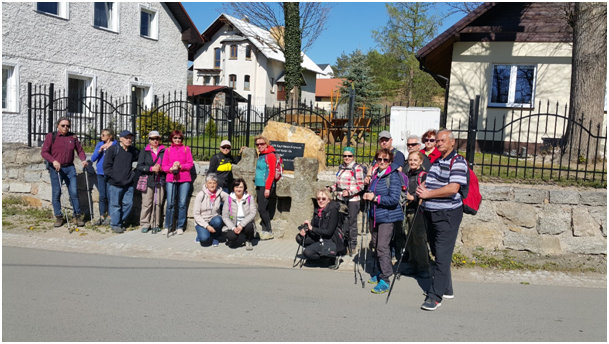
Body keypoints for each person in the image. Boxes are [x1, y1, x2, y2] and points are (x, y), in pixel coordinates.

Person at [416, 129, 468, 311]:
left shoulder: (458, 161)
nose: (438, 143)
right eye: (437, 141)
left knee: (443, 255)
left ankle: (435, 296)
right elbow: (431, 182)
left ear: (452, 142)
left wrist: (429, 193)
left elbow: (453, 188)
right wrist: (423, 186)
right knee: (437, 251)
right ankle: (446, 288)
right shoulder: (437, 161)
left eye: (442, 141)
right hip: (431, 212)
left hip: (448, 214)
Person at [362, 148, 404, 294]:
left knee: (382, 247)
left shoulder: (393, 176)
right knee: (374, 244)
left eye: (385, 160)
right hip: (374, 215)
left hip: (387, 216)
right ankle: (380, 272)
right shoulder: (376, 174)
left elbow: (393, 199)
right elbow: (373, 191)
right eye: (379, 159)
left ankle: (385, 279)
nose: (382, 162)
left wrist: (374, 198)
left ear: (390, 161)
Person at [41, 117, 88, 227]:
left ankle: (77, 216)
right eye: (63, 125)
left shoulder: (73, 137)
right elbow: (44, 152)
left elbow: (80, 150)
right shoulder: (51, 136)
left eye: (68, 125)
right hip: (56, 169)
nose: (65, 127)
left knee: (74, 192)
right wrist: (53, 161)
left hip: (70, 168)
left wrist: (83, 159)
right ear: (58, 126)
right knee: (57, 193)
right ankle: (59, 217)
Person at [328, 146, 365, 254]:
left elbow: (361, 186)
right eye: (345, 156)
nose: (347, 158)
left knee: (351, 223)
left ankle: (352, 245)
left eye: (349, 156)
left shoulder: (357, 168)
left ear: (353, 156)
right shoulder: (341, 167)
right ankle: (342, 244)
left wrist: (349, 192)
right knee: (341, 223)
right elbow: (338, 184)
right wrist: (331, 188)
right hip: (340, 199)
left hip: (353, 200)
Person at [102, 130, 139, 233]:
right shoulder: (113, 149)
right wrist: (115, 177)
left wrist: (133, 174)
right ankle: (115, 224)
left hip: (128, 183)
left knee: (128, 204)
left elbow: (141, 158)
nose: (129, 140)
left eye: (130, 138)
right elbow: (106, 167)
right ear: (121, 139)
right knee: (115, 205)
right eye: (126, 138)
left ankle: (117, 220)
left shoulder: (133, 151)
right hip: (115, 183)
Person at [401, 150, 431, 278]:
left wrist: (413, 197)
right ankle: (413, 265)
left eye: (415, 160)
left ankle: (424, 267)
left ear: (420, 161)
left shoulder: (424, 176)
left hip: (419, 211)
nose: (412, 162)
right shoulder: (407, 174)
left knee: (419, 239)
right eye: (410, 160)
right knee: (409, 239)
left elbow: (427, 193)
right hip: (407, 210)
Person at [295, 188, 341, 266]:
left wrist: (312, 228)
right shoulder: (318, 210)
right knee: (299, 238)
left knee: (307, 253)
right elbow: (314, 227)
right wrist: (305, 230)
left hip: (330, 239)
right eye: (318, 199)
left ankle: (332, 258)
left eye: (323, 199)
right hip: (319, 237)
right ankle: (318, 253)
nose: (321, 201)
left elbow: (329, 232)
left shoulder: (333, 210)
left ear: (328, 200)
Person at [161, 130, 194, 235]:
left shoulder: (186, 149)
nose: (177, 140)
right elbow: (164, 166)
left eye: (179, 138)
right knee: (170, 203)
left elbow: (190, 164)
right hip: (171, 178)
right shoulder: (168, 150)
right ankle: (168, 226)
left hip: (184, 179)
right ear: (172, 139)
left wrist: (181, 166)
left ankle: (180, 226)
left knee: (182, 203)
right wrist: (171, 168)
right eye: (175, 138)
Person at [136, 131, 166, 234]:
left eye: (157, 138)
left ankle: (156, 224)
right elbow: (139, 166)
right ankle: (145, 223)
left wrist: (161, 168)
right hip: (148, 179)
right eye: (153, 139)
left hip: (159, 180)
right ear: (149, 140)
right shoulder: (144, 151)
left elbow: (167, 164)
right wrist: (150, 168)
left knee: (158, 203)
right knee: (147, 203)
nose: (155, 141)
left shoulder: (164, 151)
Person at [90, 128, 117, 225]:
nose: (101, 137)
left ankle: (109, 216)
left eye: (103, 135)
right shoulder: (99, 145)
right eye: (101, 135)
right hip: (100, 173)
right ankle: (101, 216)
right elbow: (92, 158)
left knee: (110, 195)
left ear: (110, 136)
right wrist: (100, 150)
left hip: (111, 174)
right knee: (102, 195)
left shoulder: (115, 145)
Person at [193, 173, 228, 246]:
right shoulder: (201, 195)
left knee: (218, 220)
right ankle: (201, 234)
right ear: (206, 184)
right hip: (202, 222)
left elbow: (231, 198)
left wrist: (244, 194)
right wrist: (207, 226)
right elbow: (196, 215)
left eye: (214, 183)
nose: (212, 185)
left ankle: (215, 237)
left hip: (214, 220)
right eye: (210, 183)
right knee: (204, 239)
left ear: (217, 184)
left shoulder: (220, 193)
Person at [223, 178, 257, 250]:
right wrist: (233, 227)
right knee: (231, 237)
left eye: (241, 187)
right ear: (233, 188)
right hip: (233, 224)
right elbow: (225, 217)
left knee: (249, 226)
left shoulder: (249, 198)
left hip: (245, 223)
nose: (239, 189)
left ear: (244, 188)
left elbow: (253, 213)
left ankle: (248, 240)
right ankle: (235, 239)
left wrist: (241, 225)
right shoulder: (228, 199)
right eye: (236, 187)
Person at [254, 135, 277, 240]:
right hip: (259, 185)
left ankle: (269, 230)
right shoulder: (262, 154)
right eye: (257, 144)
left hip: (265, 185)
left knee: (262, 208)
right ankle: (264, 230)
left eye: (262, 144)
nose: (259, 146)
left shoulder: (270, 155)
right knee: (263, 208)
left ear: (266, 144)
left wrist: (267, 188)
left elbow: (271, 172)